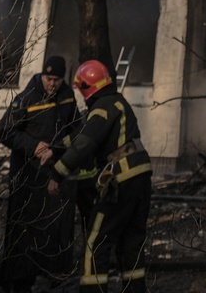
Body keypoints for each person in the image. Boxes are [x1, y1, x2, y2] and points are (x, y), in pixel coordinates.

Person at [46, 59, 152, 293]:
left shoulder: (103, 107)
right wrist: (55, 147)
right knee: (131, 243)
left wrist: (57, 173)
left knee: (96, 242)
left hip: (120, 178)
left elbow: (84, 144)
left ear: (87, 87)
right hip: (141, 176)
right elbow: (82, 133)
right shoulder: (116, 103)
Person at [0, 55, 80, 292]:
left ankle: (53, 272)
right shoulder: (26, 99)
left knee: (52, 229)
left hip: (52, 177)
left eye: (57, 80)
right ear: (42, 75)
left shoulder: (67, 97)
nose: (52, 84)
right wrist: (34, 146)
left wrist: (58, 148)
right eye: (49, 78)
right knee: (22, 231)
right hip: (26, 178)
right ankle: (18, 281)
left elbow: (77, 129)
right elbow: (4, 131)